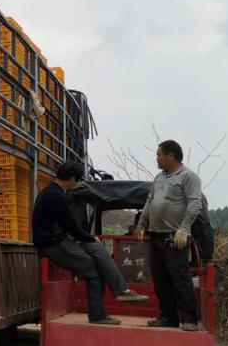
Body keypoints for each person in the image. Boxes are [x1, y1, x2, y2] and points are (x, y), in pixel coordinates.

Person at [32, 160, 150, 325]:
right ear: (72, 179)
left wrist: (90, 239)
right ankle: (97, 315)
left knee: (96, 247)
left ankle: (122, 291)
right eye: (77, 180)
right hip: (52, 245)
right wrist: (88, 237)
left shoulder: (52, 192)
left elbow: (70, 229)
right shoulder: (55, 196)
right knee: (94, 271)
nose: (76, 184)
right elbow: (70, 226)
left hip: (62, 240)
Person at [136, 140, 202, 331]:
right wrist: (142, 223)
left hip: (176, 235)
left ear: (170, 156)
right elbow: (150, 201)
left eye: (159, 155)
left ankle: (189, 319)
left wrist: (184, 229)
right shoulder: (159, 178)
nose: (156, 158)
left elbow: (194, 203)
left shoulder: (188, 176)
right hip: (156, 234)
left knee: (179, 276)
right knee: (160, 278)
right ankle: (168, 317)